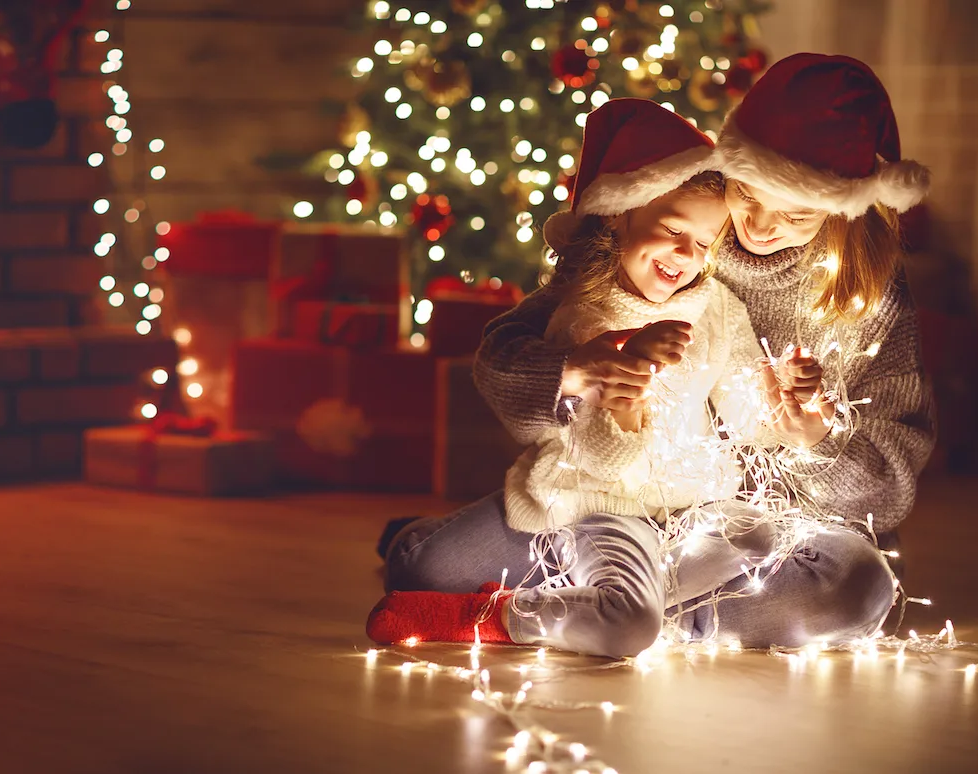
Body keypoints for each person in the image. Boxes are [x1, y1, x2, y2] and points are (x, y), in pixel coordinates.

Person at [370, 80, 908, 656]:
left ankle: (611, 610)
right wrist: (602, 380)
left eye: (706, 244)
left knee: (844, 579)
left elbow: (758, 414)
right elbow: (534, 388)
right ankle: (596, 604)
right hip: (590, 514)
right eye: (746, 201)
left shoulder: (730, 304)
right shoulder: (586, 305)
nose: (755, 230)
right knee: (427, 570)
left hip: (702, 520)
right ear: (620, 216)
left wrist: (794, 412)